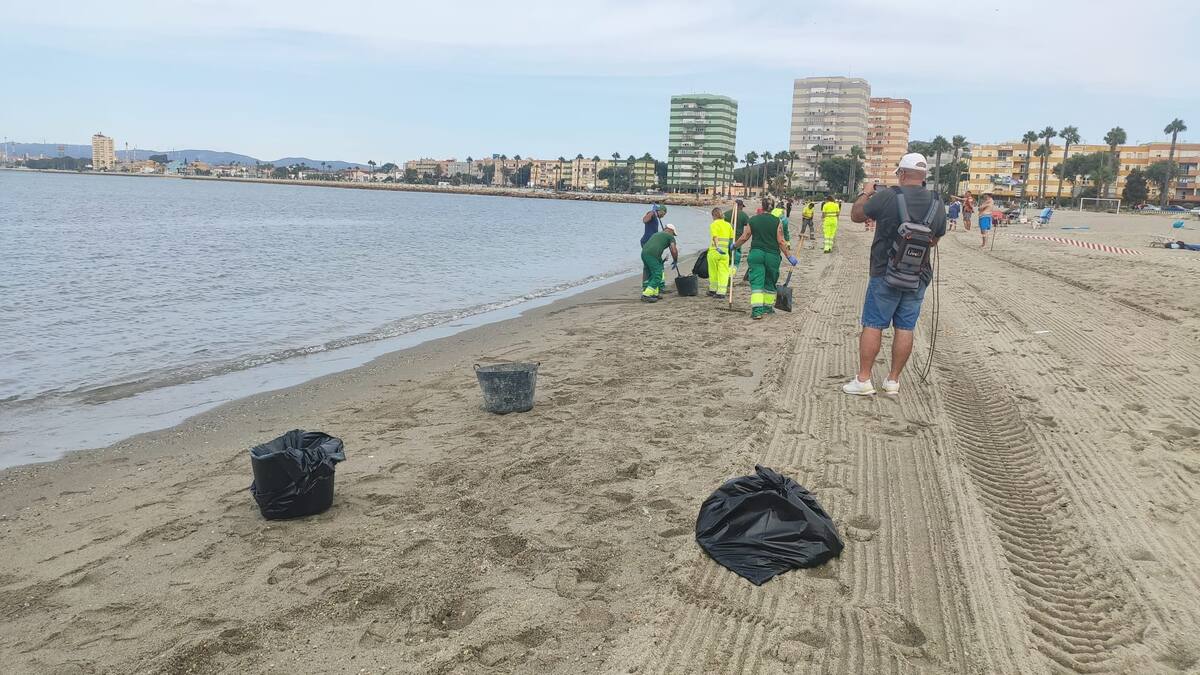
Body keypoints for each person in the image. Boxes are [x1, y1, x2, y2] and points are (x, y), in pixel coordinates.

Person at [843, 153, 945, 395]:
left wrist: (866, 192)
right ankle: (893, 381)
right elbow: (934, 240)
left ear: (901, 173)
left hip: (884, 272)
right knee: (905, 327)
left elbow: (857, 216)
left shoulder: (888, 195)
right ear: (923, 176)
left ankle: (864, 379)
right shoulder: (937, 202)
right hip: (918, 274)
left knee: (874, 324)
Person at [731, 209, 798, 319]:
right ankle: (767, 307)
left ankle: (757, 311)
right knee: (770, 281)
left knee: (757, 282)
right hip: (772, 256)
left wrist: (734, 246)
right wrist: (789, 256)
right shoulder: (777, 221)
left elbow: (745, 236)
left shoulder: (753, 220)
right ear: (771, 209)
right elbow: (781, 241)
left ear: (760, 209)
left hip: (756, 254)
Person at [641, 223, 679, 303]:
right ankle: (646, 294)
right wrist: (675, 260)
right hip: (652, 255)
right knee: (658, 275)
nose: (673, 236)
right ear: (671, 231)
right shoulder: (670, 237)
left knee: (652, 274)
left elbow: (653, 246)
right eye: (673, 234)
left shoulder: (656, 234)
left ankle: (654, 293)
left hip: (644, 253)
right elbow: (673, 250)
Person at [706, 208, 734, 298]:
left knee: (713, 271)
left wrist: (717, 247)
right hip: (725, 252)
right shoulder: (728, 225)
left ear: (714, 215)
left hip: (714, 251)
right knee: (724, 272)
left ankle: (713, 290)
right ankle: (721, 292)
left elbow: (715, 236)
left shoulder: (714, 224)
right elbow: (731, 238)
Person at [724, 199, 752, 266]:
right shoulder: (743, 215)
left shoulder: (725, 214)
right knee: (735, 260)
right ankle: (732, 272)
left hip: (726, 239)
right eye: (742, 207)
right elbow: (748, 227)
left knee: (727, 258)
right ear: (740, 206)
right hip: (737, 240)